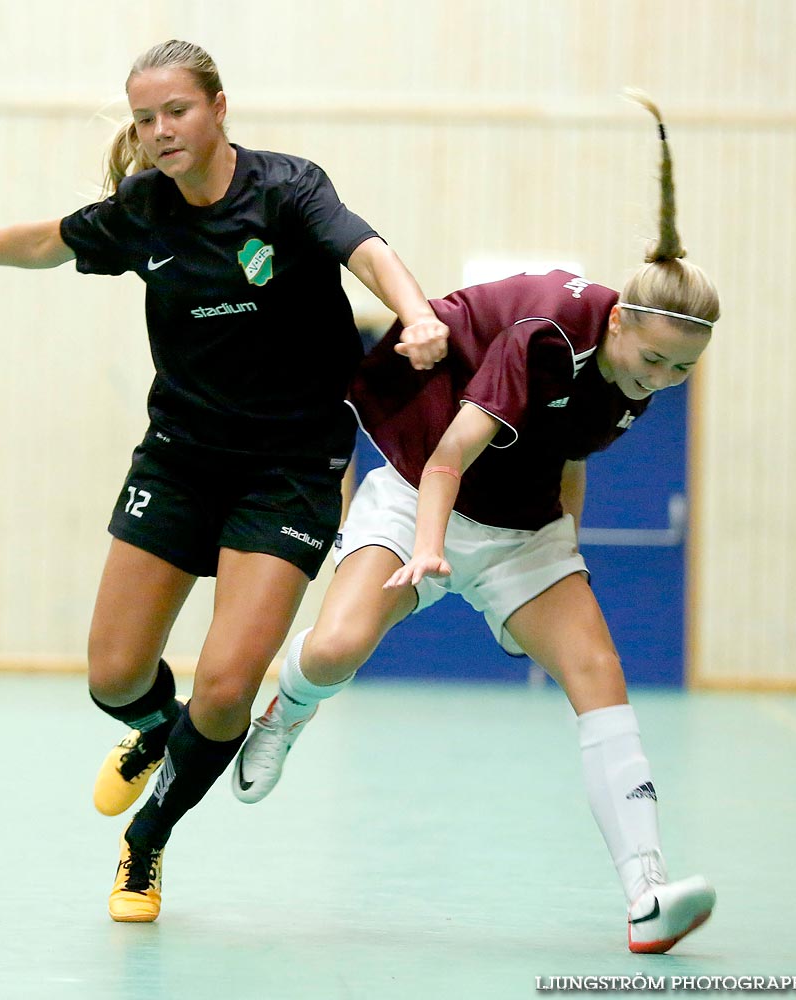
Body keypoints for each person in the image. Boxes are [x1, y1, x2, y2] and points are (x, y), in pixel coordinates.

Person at [0, 39, 449, 923]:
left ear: (218, 107)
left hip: (289, 471)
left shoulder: (287, 190)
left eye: (175, 110)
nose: (159, 130)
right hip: (179, 458)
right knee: (112, 674)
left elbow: (365, 247)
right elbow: (43, 240)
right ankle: (152, 730)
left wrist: (413, 312)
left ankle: (147, 842)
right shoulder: (143, 211)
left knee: (223, 690)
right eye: (144, 118)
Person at [230, 90, 719, 954]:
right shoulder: (544, 338)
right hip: (421, 487)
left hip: (524, 530)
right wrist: (425, 553)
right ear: (616, 321)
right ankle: (286, 713)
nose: (665, 378)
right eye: (654, 359)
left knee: (597, 670)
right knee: (338, 647)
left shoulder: (635, 377)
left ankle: (647, 894)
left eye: (684, 368)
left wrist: (556, 561)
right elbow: (450, 461)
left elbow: (566, 457)